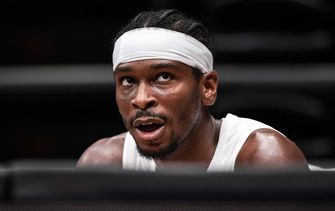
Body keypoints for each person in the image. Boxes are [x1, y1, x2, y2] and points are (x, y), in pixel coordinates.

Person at [77, 9, 309, 172]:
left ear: (207, 87)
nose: (141, 99)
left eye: (163, 77)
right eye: (128, 81)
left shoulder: (264, 158)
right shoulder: (104, 163)